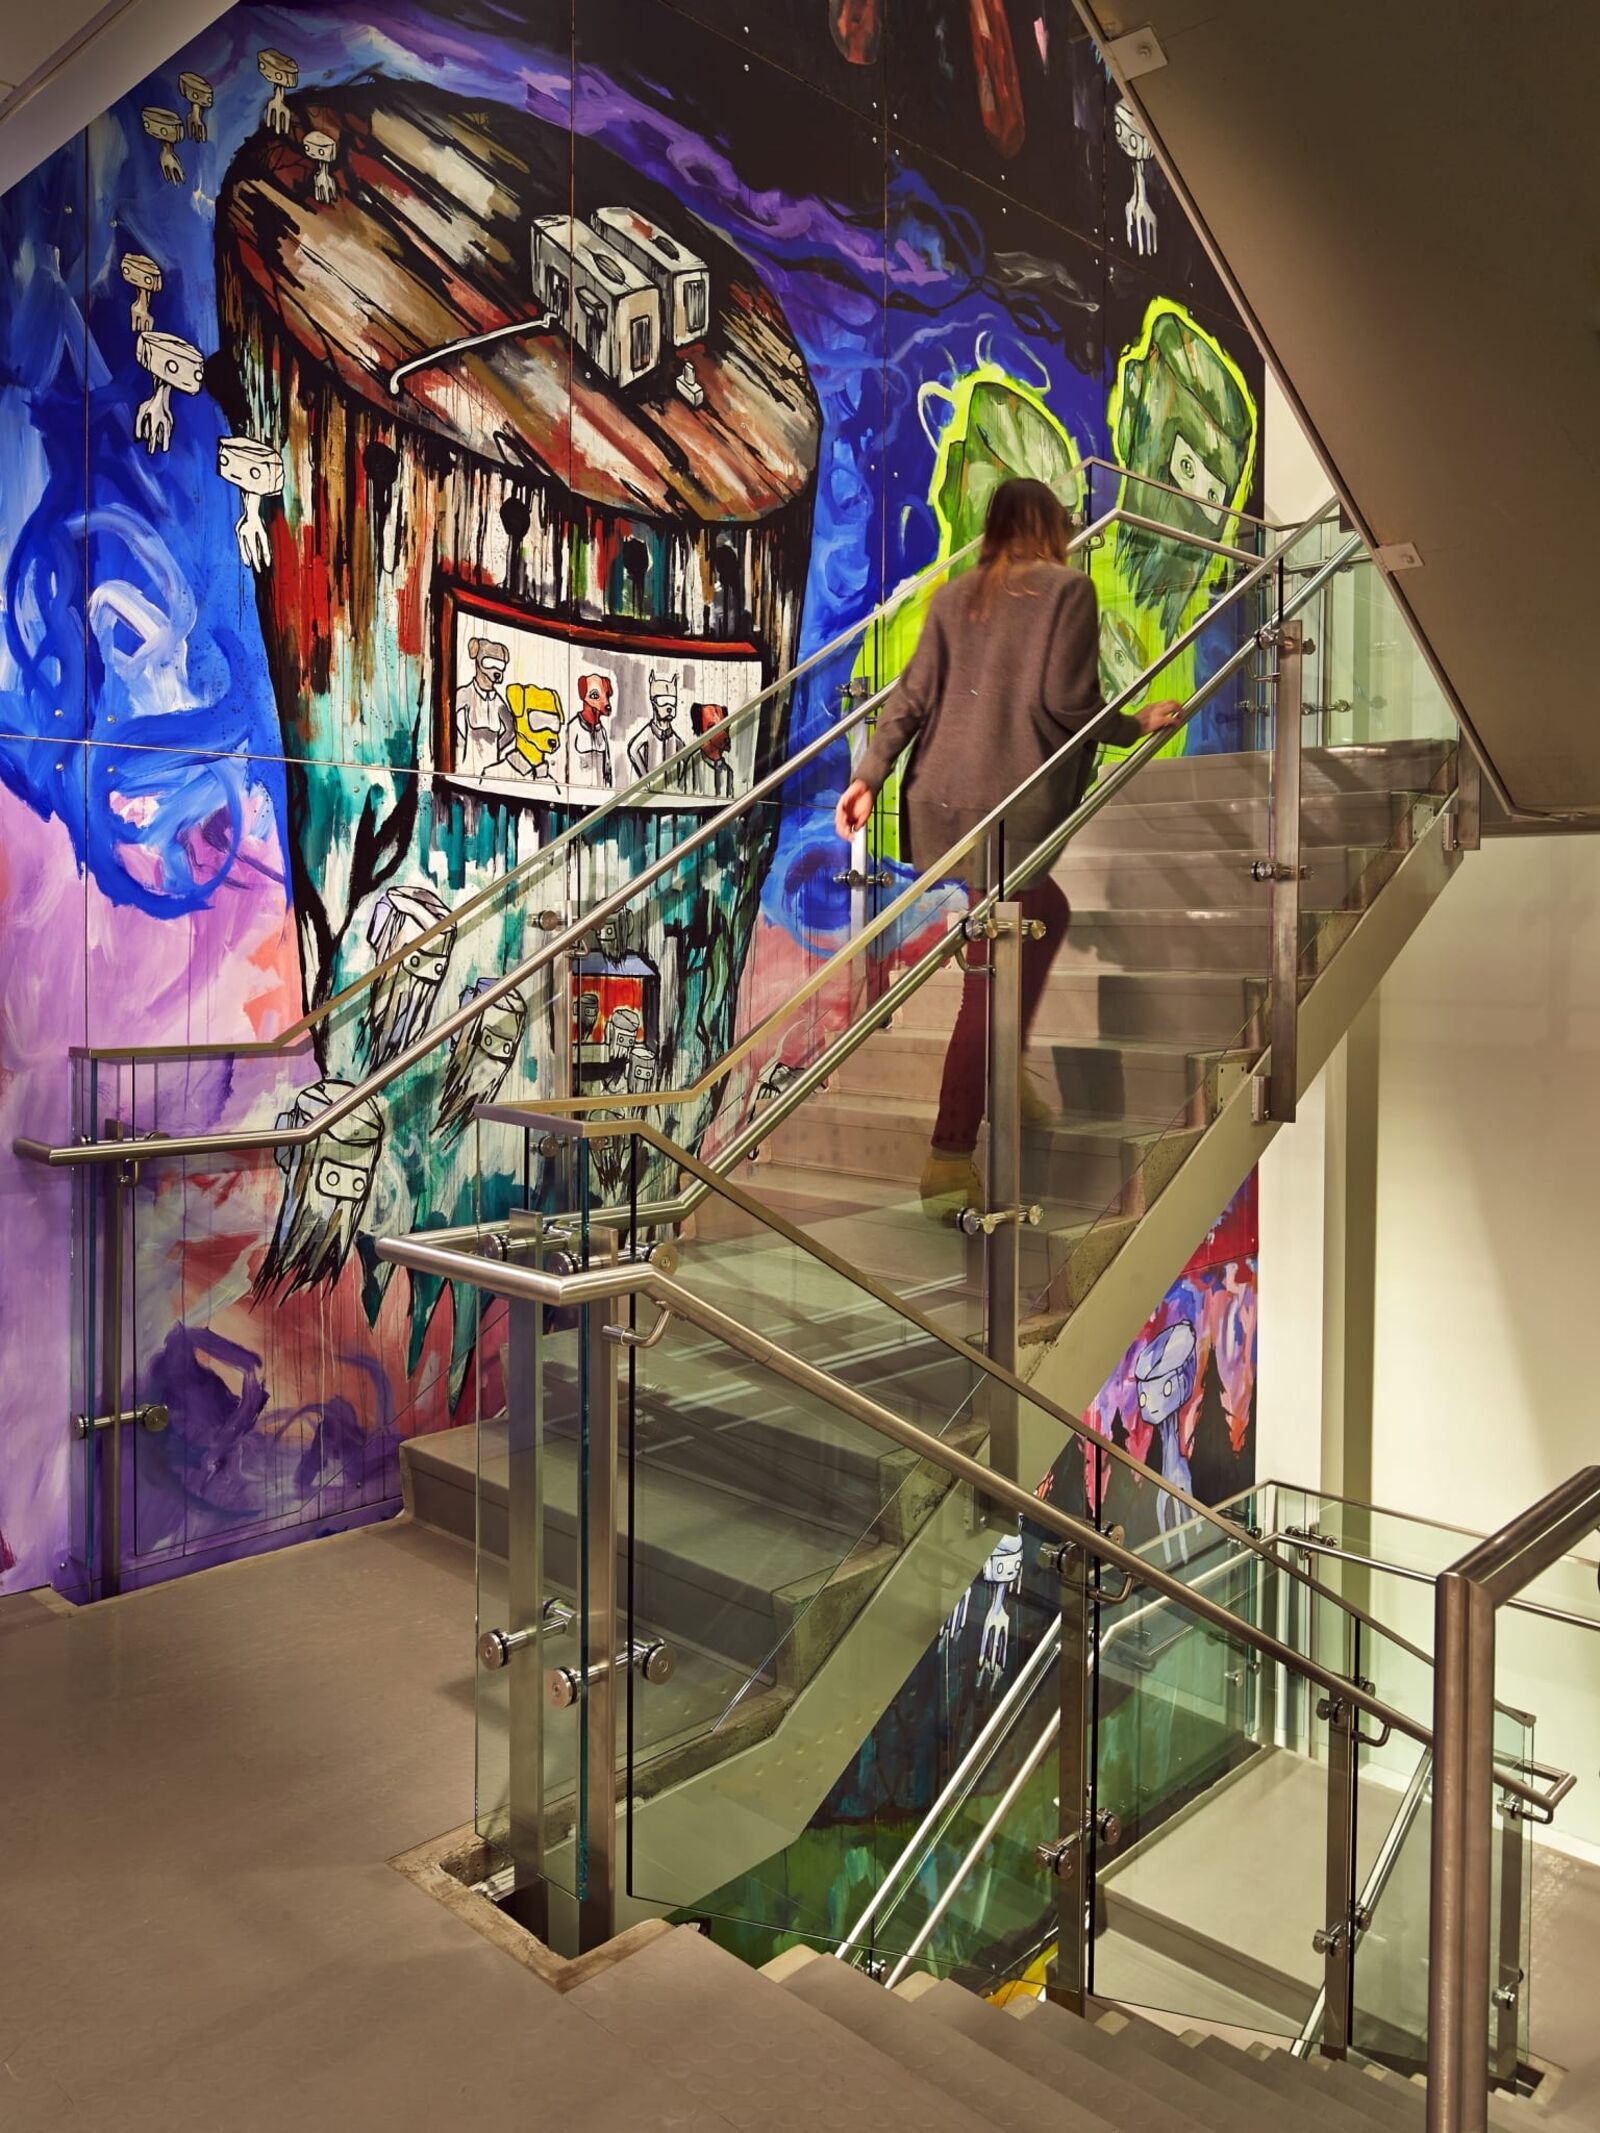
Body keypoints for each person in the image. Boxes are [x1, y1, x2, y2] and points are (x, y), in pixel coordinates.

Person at [834, 476, 1180, 1215]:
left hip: (939, 804)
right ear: (1052, 526)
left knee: (1042, 914)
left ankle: (1005, 1073)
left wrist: (866, 778)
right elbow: (1068, 703)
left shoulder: (955, 596)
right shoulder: (1067, 591)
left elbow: (909, 701)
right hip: (1011, 808)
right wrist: (1134, 725)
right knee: (989, 977)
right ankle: (949, 1156)